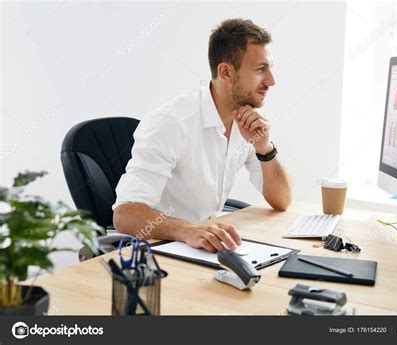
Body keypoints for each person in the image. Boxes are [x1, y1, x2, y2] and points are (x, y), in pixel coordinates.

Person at [113, 18, 292, 252]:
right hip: (161, 250)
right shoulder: (172, 123)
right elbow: (124, 214)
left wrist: (264, 148)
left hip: (206, 245)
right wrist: (187, 230)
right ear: (226, 72)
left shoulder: (246, 121)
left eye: (270, 68)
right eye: (260, 69)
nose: (271, 80)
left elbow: (282, 201)